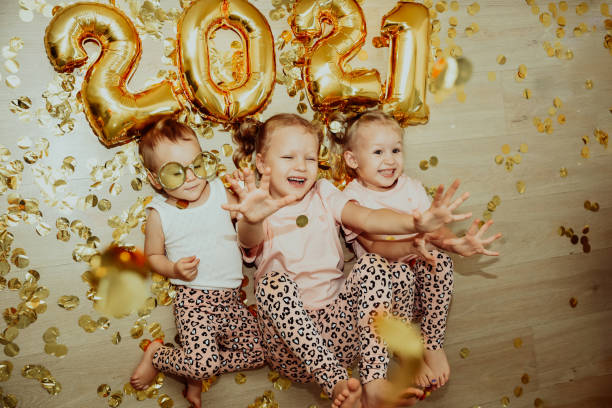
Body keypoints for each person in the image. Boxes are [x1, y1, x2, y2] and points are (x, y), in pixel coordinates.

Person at [222, 113, 471, 408]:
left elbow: (368, 217)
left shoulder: (324, 192)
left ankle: (373, 379)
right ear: (262, 163)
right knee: (271, 284)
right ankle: (335, 380)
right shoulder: (257, 202)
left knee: (373, 263)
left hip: (344, 331)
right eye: (288, 157)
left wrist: (417, 222)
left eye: (310, 159)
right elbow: (249, 241)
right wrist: (251, 218)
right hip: (292, 349)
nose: (301, 166)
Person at [329, 110, 502, 391]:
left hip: (422, 291)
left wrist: (454, 244)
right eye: (378, 152)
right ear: (352, 160)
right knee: (399, 273)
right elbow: (375, 246)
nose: (390, 160)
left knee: (442, 262)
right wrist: (412, 246)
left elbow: (434, 231)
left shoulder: (411, 187)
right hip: (388, 297)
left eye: (396, 150)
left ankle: (432, 342)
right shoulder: (352, 199)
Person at [129, 118, 264, 408]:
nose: (191, 177)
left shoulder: (218, 190)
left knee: (258, 353)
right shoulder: (160, 214)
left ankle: (195, 364)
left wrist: (246, 197)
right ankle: (160, 355)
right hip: (195, 301)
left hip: (230, 301)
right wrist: (174, 269)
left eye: (197, 165)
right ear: (155, 180)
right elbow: (153, 257)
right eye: (175, 173)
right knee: (205, 365)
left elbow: (246, 215)